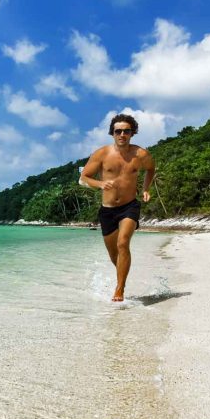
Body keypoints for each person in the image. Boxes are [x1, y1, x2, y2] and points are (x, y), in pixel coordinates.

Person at [80, 114, 155, 302]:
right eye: (118, 131)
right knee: (114, 255)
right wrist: (99, 184)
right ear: (112, 133)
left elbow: (151, 169)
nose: (122, 134)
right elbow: (84, 177)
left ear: (132, 133)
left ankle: (119, 289)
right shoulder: (102, 154)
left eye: (126, 131)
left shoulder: (141, 154)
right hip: (107, 211)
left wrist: (146, 189)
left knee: (123, 243)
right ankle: (122, 274)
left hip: (129, 206)